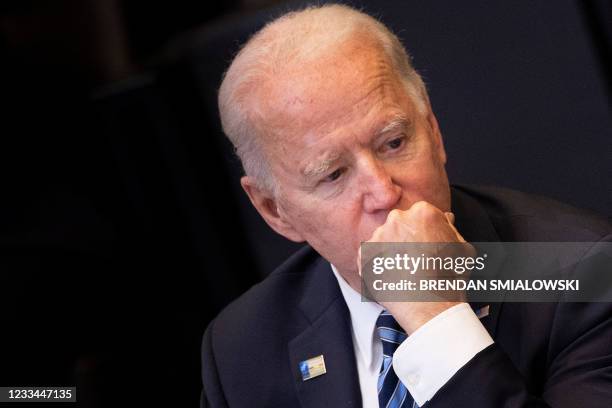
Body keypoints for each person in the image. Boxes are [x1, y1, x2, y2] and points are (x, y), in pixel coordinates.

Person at [201, 4, 612, 407]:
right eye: (333, 175)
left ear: (433, 133)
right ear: (274, 210)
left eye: (394, 143)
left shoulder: (586, 275)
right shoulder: (242, 349)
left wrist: (437, 320)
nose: (383, 193)